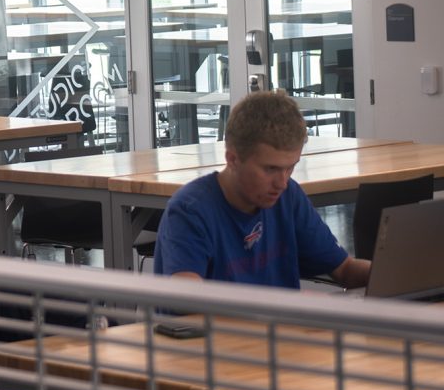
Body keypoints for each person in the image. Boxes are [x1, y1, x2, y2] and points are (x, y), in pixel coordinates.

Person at [154, 90, 370, 289]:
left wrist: (396, 273)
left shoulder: (288, 196)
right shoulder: (190, 210)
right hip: (212, 331)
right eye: (270, 169)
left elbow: (344, 269)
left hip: (277, 328)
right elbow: (186, 297)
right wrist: (282, 306)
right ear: (233, 159)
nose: (282, 182)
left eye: (290, 167)